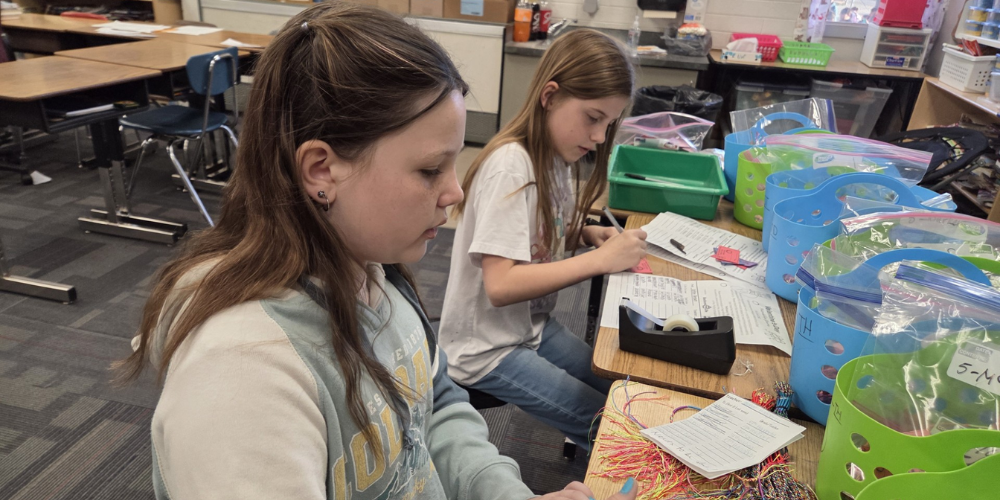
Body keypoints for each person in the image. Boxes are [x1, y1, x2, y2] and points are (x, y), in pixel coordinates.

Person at [114, 3, 637, 500]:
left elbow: (436, 407)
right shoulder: (242, 379)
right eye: (430, 170)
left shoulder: (378, 274)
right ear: (321, 171)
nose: (455, 194)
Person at [438, 29, 647, 452]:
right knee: (616, 431)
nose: (599, 137)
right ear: (550, 95)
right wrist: (600, 260)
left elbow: (537, 238)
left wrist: (587, 234)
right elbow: (502, 286)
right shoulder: (511, 167)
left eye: (609, 123)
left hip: (529, 327)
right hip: (485, 351)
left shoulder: (554, 158)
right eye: (593, 118)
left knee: (625, 393)